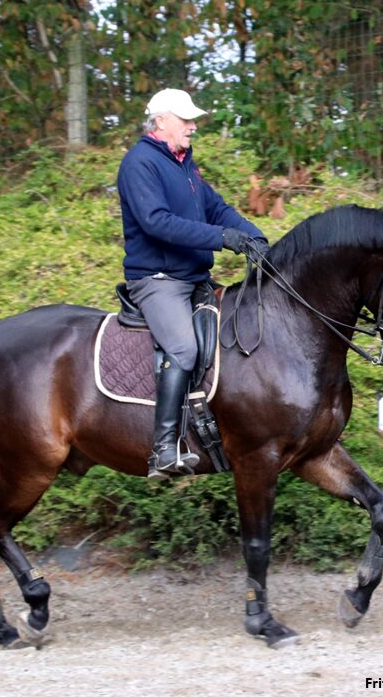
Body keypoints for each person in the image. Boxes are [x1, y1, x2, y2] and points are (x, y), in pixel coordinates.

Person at [117, 88, 269, 481]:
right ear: (161, 121)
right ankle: (164, 449)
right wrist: (222, 238)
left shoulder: (184, 163)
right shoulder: (140, 164)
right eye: (185, 120)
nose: (193, 126)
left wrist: (254, 237)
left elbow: (215, 207)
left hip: (195, 277)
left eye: (192, 119)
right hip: (158, 280)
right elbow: (157, 222)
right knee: (184, 347)